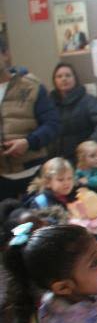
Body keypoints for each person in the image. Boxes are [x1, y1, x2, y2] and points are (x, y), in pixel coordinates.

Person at [0, 34, 60, 201]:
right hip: (1, 179)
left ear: (5, 54)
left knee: (39, 223)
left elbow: (53, 125)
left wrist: (28, 142)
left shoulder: (31, 86)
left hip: (33, 174)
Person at [48, 63, 97, 163]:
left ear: (75, 79)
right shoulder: (49, 104)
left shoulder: (88, 101)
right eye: (59, 76)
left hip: (83, 161)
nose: (64, 79)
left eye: (68, 75)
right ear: (54, 81)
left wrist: (90, 145)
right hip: (56, 161)